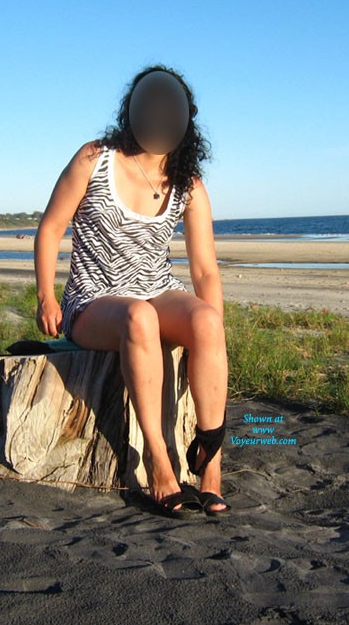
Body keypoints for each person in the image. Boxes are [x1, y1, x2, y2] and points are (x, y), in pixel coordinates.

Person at [34, 65, 230, 517]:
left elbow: (204, 269)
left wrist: (213, 333)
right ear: (133, 109)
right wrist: (46, 295)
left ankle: (211, 470)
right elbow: (50, 228)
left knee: (204, 319)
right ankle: (159, 463)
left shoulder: (189, 184)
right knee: (139, 316)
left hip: (156, 289)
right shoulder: (94, 158)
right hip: (94, 299)